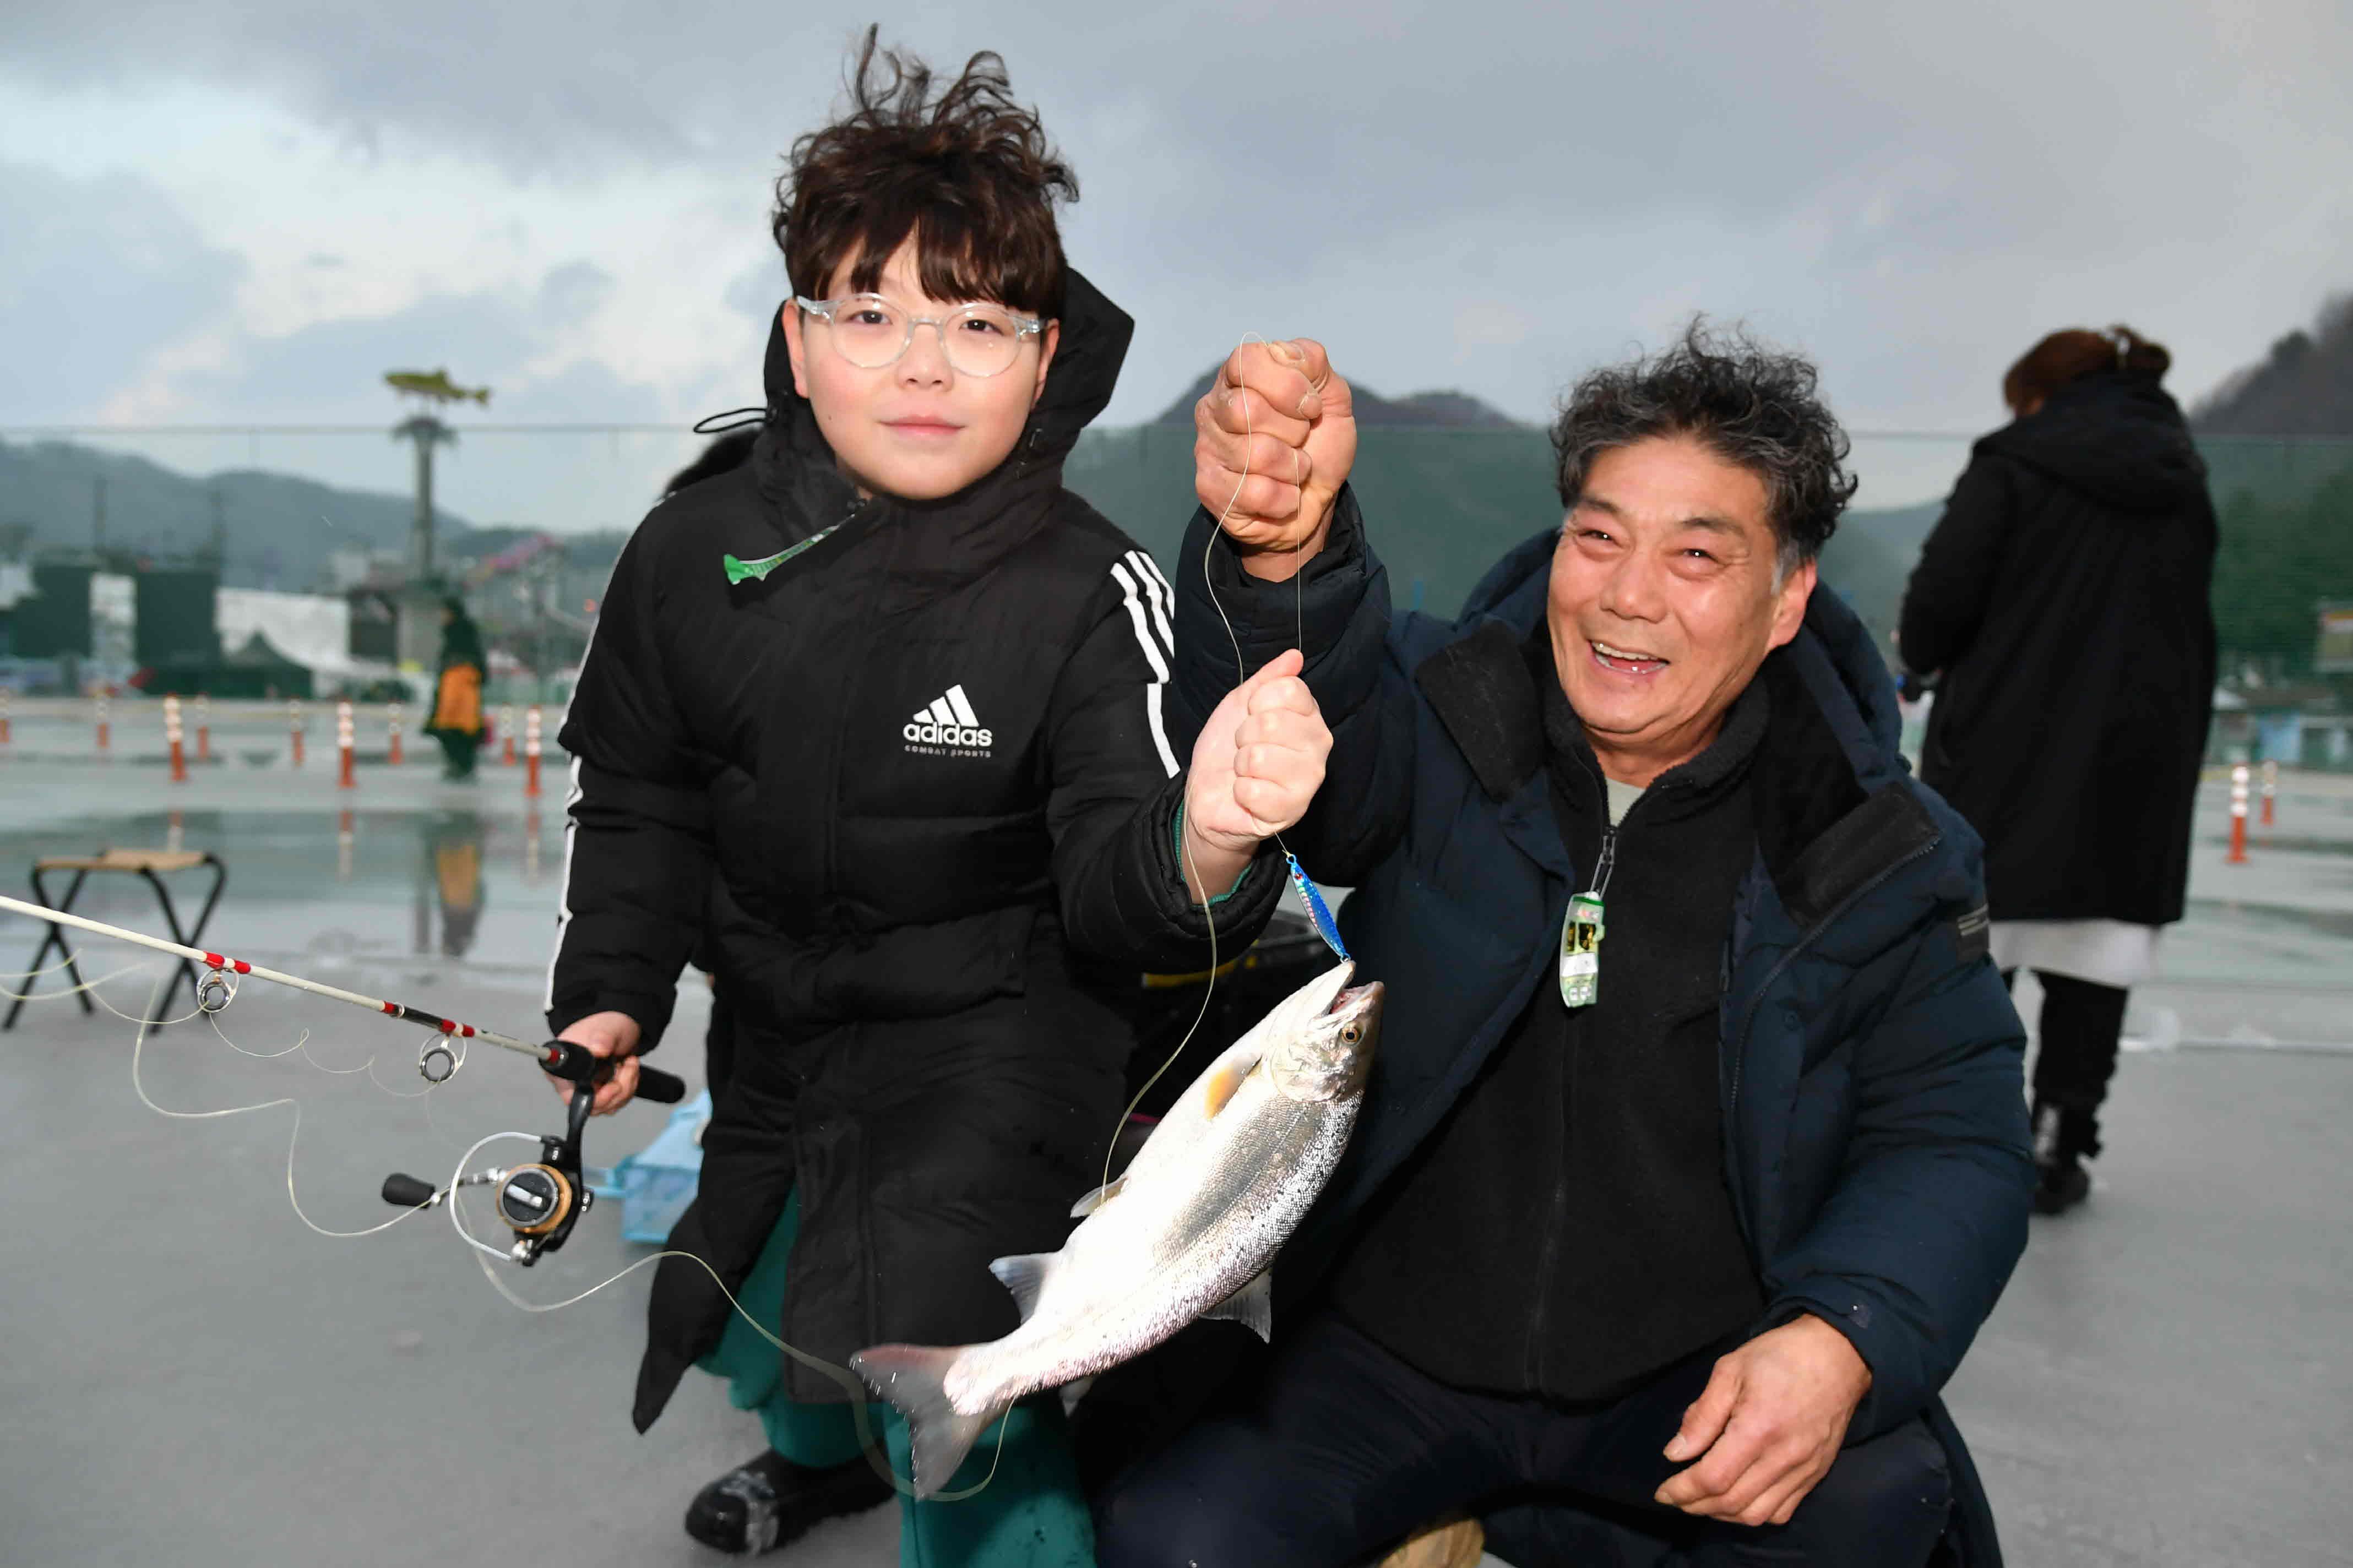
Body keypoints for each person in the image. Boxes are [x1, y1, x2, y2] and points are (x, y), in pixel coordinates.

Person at [541, 32, 1324, 1564]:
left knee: (964, 1359)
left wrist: (1208, 835)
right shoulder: (689, 553)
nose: (920, 363)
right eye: (870, 313)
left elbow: (1117, 874)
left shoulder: (1091, 585)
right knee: (771, 1273)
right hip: (777, 1018)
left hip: (1000, 1037)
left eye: (976, 322)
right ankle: (815, 1463)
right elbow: (638, 790)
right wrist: (615, 988)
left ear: (1043, 354)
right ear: (797, 339)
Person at [1093, 326, 2035, 1567]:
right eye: (1599, 536)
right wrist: (1275, 553)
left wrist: (1839, 1335)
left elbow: (1954, 1136)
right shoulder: (1446, 710)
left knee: (1874, 1508)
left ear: (1785, 599)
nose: (1628, 594)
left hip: (1685, 1373)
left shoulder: (1876, 848)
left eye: (1696, 553)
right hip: (1383, 1353)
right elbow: (1306, 703)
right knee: (1177, 1536)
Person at [1898, 326, 2216, 1215]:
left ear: (2037, 396)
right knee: (2096, 947)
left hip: (2009, 737)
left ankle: (1966, 1134)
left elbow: (1942, 594)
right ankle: (2056, 1140)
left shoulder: (2013, 463)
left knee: (1973, 942)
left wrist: (1920, 656)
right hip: (2139, 750)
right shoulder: (2180, 475)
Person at [423, 596, 486, 779]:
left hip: (457, 694)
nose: (441, 616)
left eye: (444, 612)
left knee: (454, 731)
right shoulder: (459, 637)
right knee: (461, 731)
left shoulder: (458, 639)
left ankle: (461, 765)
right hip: (460, 694)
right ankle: (462, 765)